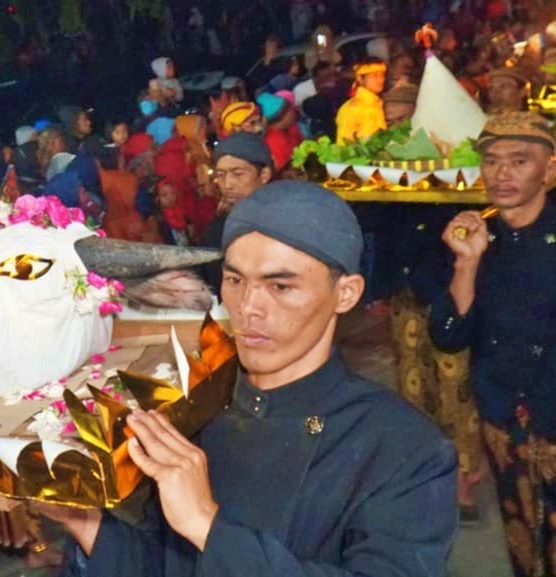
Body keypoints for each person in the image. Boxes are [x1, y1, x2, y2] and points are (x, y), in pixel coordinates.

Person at [48, 181, 457, 577]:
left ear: (345, 293)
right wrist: (86, 526)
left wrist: (208, 527)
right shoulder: (193, 407)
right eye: (235, 280)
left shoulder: (404, 449)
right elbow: (164, 564)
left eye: (280, 286)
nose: (248, 308)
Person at [428, 111, 556, 577]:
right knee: (521, 542)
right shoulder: (479, 238)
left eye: (519, 161)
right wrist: (466, 264)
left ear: (550, 170)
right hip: (505, 425)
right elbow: (447, 336)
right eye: (492, 161)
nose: (502, 173)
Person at [199, 132, 273, 297]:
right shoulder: (217, 231)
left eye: (238, 174)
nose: (227, 184)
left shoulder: (286, 225)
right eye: (221, 175)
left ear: (264, 175)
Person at [335, 58, 388, 144]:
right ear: (360, 79)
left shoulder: (378, 104)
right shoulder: (352, 108)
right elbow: (343, 146)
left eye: (382, 75)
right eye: (374, 75)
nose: (380, 80)